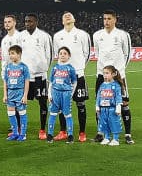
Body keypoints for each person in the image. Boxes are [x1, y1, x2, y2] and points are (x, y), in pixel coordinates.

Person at [92, 10, 134, 144]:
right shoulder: (97, 35)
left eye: (109, 19)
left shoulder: (123, 35)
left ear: (115, 19)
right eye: (104, 19)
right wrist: (104, 72)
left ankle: (127, 134)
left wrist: (119, 71)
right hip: (101, 74)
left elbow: (127, 54)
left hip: (118, 75)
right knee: (101, 103)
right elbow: (98, 53)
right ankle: (101, 133)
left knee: (124, 103)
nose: (106, 21)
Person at [52, 12, 91, 142]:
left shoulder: (82, 34)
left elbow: (87, 54)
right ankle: (63, 131)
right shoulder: (57, 36)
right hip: (62, 78)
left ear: (74, 19)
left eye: (70, 15)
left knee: (80, 104)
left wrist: (78, 69)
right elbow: (58, 55)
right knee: (62, 106)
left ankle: (82, 133)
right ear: (62, 21)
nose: (67, 16)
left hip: (78, 75)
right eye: (64, 16)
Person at [19, 13, 53, 140]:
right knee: (20, 103)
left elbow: (49, 56)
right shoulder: (20, 36)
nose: (28, 23)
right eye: (26, 21)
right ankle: (20, 129)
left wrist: (43, 69)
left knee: (43, 103)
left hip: (40, 77)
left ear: (36, 22)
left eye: (30, 21)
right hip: (25, 77)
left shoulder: (44, 36)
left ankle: (42, 129)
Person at [46, 47, 78, 143]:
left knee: (67, 114)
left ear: (69, 56)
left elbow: (74, 82)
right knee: (52, 113)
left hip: (66, 94)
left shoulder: (71, 68)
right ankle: (50, 135)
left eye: (65, 53)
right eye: (61, 53)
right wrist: (49, 94)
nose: (62, 55)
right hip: (55, 93)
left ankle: (70, 135)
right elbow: (51, 82)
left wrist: (71, 94)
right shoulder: (55, 67)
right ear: (58, 55)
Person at [0, 14, 24, 135]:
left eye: (9, 22)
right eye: (5, 22)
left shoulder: (20, 37)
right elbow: (4, 59)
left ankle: (19, 127)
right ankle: (14, 126)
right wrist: (3, 71)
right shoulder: (4, 40)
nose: (7, 24)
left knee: (18, 101)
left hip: (18, 73)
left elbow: (24, 55)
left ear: (14, 23)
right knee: (10, 100)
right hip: (9, 73)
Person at [2, 44, 30, 141]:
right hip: (10, 94)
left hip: (19, 93)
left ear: (19, 54)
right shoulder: (8, 67)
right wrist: (5, 94)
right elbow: (5, 81)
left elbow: (27, 82)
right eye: (10, 54)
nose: (11, 56)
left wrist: (25, 96)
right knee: (11, 114)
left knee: (22, 114)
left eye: (13, 53)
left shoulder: (24, 67)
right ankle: (15, 133)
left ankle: (23, 134)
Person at [96, 65, 124, 146]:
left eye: (107, 73)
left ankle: (115, 139)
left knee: (114, 123)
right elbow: (98, 96)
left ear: (113, 74)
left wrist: (118, 107)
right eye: (104, 73)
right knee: (104, 123)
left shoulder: (116, 85)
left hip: (112, 109)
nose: (105, 75)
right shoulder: (102, 85)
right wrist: (97, 106)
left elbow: (118, 97)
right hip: (103, 109)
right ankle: (106, 137)